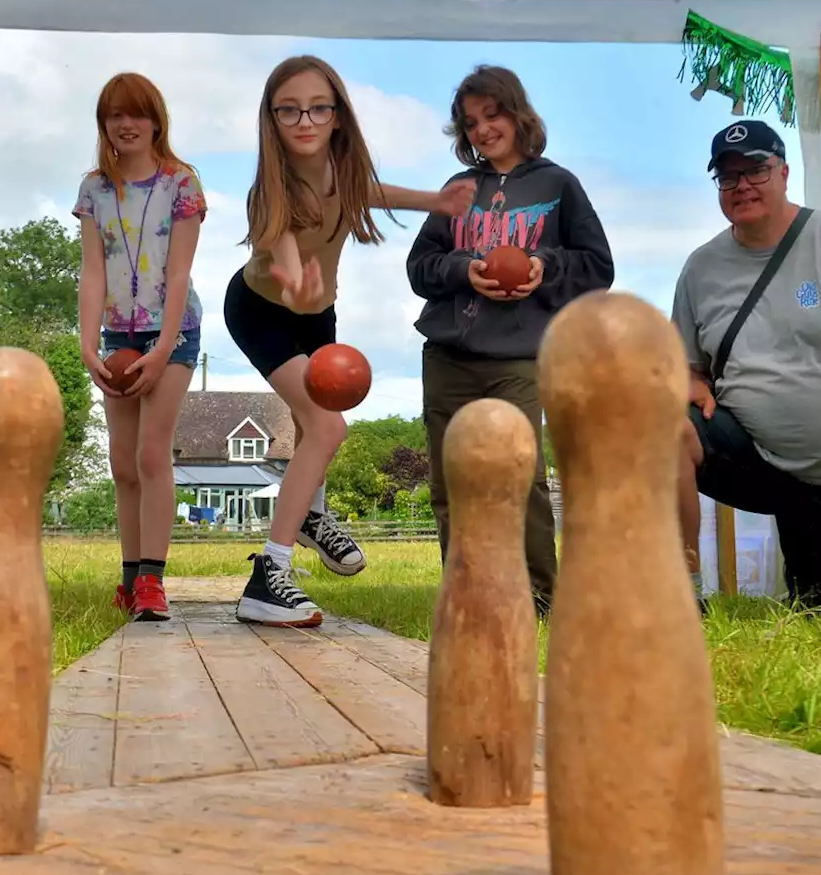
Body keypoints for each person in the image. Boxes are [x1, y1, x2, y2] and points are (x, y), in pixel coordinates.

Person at [224, 54, 476, 627]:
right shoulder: (269, 191)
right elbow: (282, 245)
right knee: (328, 426)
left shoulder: (343, 171)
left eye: (317, 107)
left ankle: (310, 513)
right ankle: (269, 576)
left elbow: (371, 191)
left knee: (320, 423)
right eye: (289, 111)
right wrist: (291, 275)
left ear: (337, 115)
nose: (305, 120)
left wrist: (436, 202)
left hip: (318, 317)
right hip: (263, 312)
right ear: (272, 120)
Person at [404, 64, 615, 619]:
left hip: (519, 359)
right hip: (448, 355)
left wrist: (544, 265)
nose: (482, 129)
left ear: (517, 114)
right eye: (470, 122)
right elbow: (419, 268)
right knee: (452, 484)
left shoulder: (558, 183)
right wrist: (461, 270)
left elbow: (598, 265)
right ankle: (467, 598)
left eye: (491, 114)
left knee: (519, 478)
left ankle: (541, 599)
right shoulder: (458, 190)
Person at [671, 119, 821, 612]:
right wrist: (691, 384)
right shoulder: (699, 267)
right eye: (728, 176)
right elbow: (685, 365)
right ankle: (682, 591)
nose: (742, 186)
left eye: (755, 170)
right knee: (663, 425)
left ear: (783, 172)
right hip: (744, 456)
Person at [72, 72, 208, 622]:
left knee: (153, 454)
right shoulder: (94, 188)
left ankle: (153, 580)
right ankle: (129, 579)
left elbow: (179, 274)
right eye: (114, 115)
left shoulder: (181, 182)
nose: (125, 125)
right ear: (104, 124)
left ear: (156, 121)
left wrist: (165, 344)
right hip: (116, 335)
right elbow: (92, 271)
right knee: (122, 464)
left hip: (172, 332)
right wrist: (87, 345)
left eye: (136, 114)